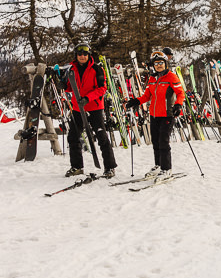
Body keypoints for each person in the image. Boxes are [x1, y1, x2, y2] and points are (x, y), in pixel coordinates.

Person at [125, 50, 186, 180]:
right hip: (154, 115)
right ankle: (158, 165)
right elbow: (147, 95)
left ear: (165, 63)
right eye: (156, 63)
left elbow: (181, 93)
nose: (158, 65)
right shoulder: (152, 78)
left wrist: (178, 105)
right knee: (156, 142)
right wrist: (136, 101)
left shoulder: (171, 77)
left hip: (167, 114)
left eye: (161, 62)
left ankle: (166, 169)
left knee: (163, 142)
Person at [64, 42, 117, 178]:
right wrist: (63, 85)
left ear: (89, 55)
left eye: (85, 54)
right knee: (73, 137)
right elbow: (71, 87)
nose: (82, 56)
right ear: (76, 56)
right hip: (77, 108)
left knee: (101, 137)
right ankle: (77, 166)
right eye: (80, 54)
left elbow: (102, 88)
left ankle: (110, 167)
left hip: (94, 108)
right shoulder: (72, 69)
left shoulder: (97, 69)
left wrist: (88, 98)